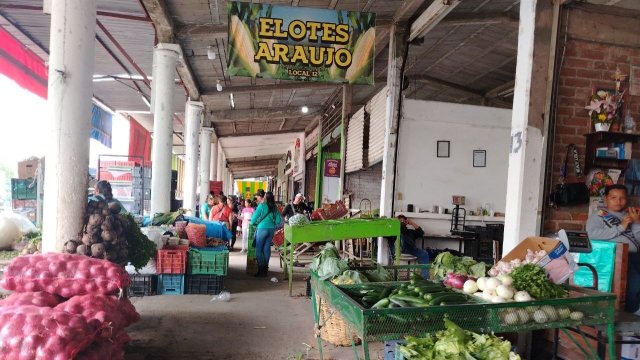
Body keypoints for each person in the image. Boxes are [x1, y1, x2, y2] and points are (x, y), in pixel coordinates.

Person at [586, 184, 640, 313]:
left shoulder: (628, 215)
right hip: (615, 258)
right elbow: (592, 234)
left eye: (622, 198)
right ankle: (631, 314)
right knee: (634, 284)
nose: (618, 201)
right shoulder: (598, 215)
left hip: (633, 257)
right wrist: (620, 227)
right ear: (606, 199)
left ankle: (634, 313)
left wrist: (637, 223)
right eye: (614, 197)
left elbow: (637, 241)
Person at [250, 191, 282, 277]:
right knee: (266, 249)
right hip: (271, 230)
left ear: (265, 197)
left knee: (259, 250)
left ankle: (260, 271)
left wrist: (252, 224)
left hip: (262, 229)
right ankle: (265, 270)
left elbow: (253, 219)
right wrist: (273, 224)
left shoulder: (262, 206)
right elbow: (279, 221)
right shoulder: (274, 207)